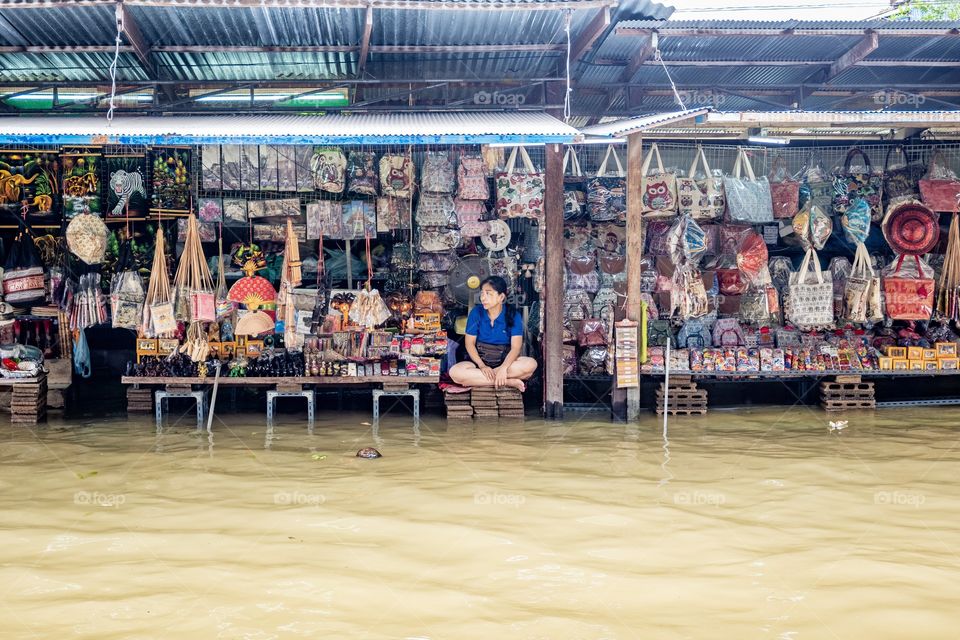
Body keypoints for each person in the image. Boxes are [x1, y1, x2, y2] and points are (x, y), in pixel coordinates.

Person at [449, 276, 538, 391]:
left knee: (530, 364)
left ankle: (484, 380)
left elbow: (516, 348)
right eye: (482, 294)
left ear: (501, 297)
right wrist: (482, 366)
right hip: (479, 364)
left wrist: (503, 368)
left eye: (488, 294)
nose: (483, 298)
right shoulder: (476, 313)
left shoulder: (513, 315)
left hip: (505, 363)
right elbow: (469, 344)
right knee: (455, 373)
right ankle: (507, 381)